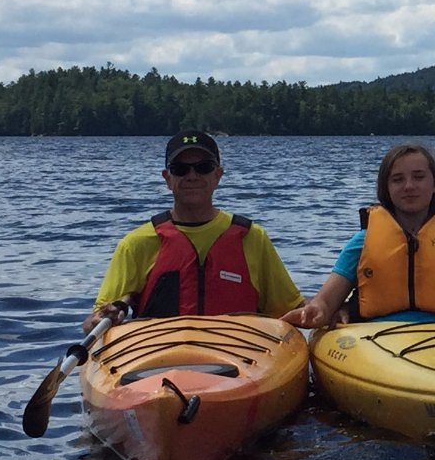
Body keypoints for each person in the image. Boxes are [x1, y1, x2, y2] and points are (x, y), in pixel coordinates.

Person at [283, 143, 435, 329]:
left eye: (419, 177)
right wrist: (318, 310)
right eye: (398, 179)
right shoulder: (361, 243)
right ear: (387, 189)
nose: (409, 186)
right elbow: (326, 299)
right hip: (377, 338)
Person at [89, 131, 303, 325]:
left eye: (203, 167)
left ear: (218, 175)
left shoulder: (253, 238)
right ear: (168, 179)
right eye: (180, 169)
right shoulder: (136, 244)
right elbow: (93, 323)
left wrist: (330, 308)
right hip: (160, 360)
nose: (192, 176)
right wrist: (103, 317)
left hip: (241, 358)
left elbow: (291, 309)